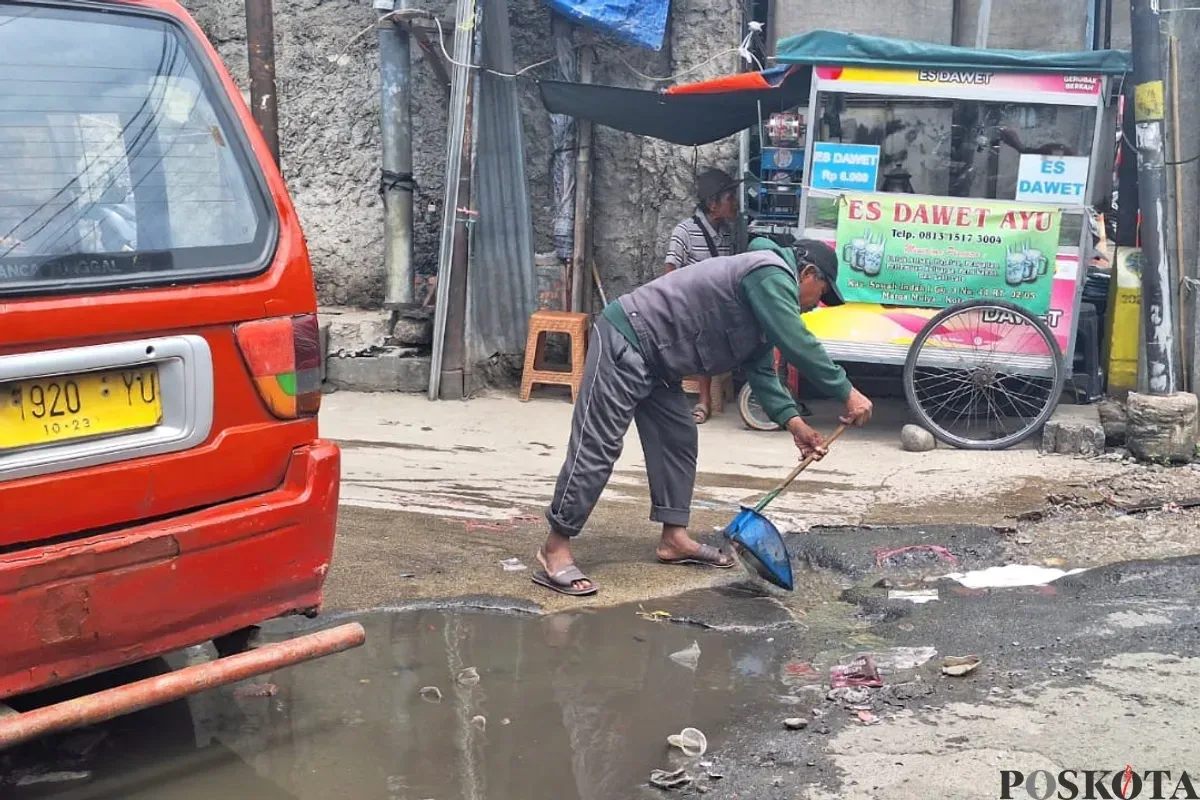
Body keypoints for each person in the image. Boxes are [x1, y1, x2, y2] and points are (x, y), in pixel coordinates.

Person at [533, 237, 874, 596]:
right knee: (597, 446)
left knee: (678, 440)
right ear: (807, 273)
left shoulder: (764, 296)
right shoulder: (770, 273)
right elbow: (797, 341)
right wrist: (846, 392)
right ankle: (554, 547)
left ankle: (674, 539)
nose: (814, 306)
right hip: (627, 339)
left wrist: (794, 423)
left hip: (661, 362)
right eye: (819, 294)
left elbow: (761, 370)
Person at [664, 167, 739, 425]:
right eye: (730, 198)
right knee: (702, 332)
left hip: (716, 305)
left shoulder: (726, 233)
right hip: (689, 306)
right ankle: (703, 401)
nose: (736, 204)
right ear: (712, 203)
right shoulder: (684, 231)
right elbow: (671, 272)